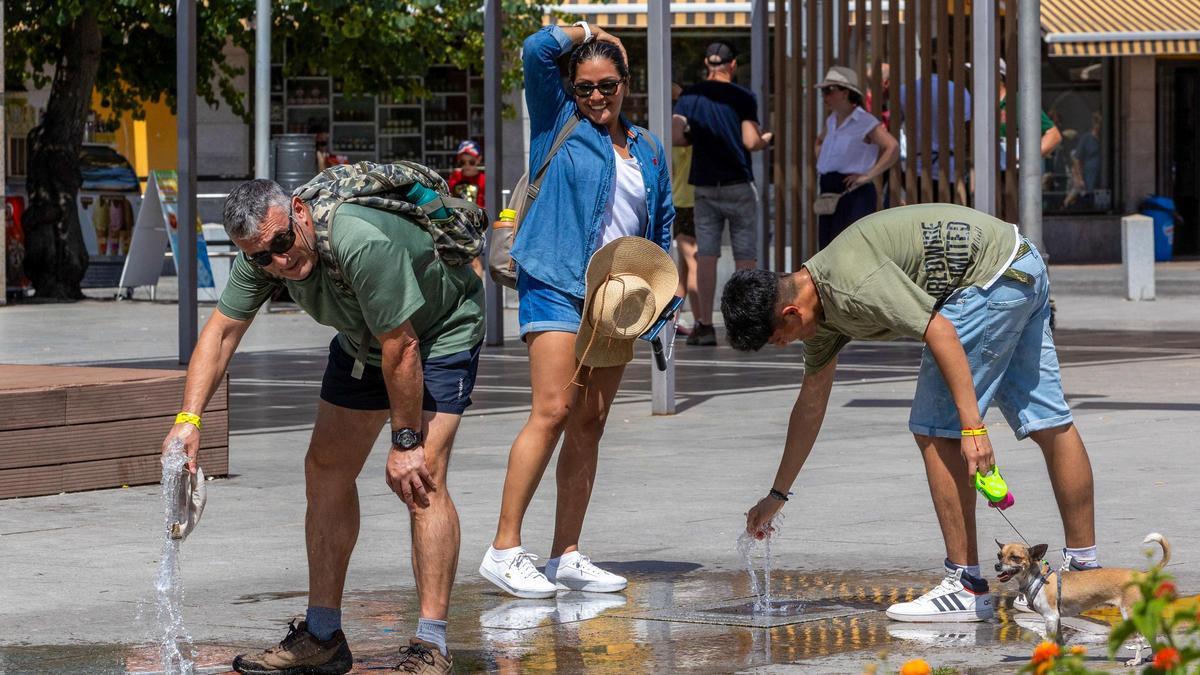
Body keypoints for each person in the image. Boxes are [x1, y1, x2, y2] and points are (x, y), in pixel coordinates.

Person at [161, 177, 484, 674]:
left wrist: (404, 443)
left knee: (422, 477)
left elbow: (403, 346)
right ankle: (323, 635)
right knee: (326, 469)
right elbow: (222, 331)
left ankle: (431, 644)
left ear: (299, 212)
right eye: (262, 256)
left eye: (282, 243)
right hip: (365, 339)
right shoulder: (263, 257)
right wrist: (188, 420)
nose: (279, 261)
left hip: (436, 332)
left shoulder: (358, 240)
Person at [722, 203, 1099, 623]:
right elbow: (810, 404)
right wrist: (777, 495)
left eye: (780, 339)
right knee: (1050, 420)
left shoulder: (850, 282)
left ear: (791, 313)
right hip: (1020, 262)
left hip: (988, 279)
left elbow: (940, 330)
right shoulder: (818, 310)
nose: (787, 345)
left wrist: (972, 427)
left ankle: (966, 586)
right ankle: (1084, 573)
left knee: (936, 429)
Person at [478, 23, 673, 599]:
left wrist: (664, 303)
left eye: (606, 85)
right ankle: (505, 548)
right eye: (584, 85)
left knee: (591, 420)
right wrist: (590, 30)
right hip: (557, 282)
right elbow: (537, 49)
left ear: (625, 84)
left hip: (618, 301)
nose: (595, 96)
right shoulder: (556, 122)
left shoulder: (649, 148)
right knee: (555, 409)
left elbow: (660, 226)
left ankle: (567, 554)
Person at [672, 42, 772, 346]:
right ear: (732, 65)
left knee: (706, 257)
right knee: (745, 258)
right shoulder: (743, 97)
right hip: (738, 184)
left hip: (703, 185)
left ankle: (704, 326)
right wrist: (767, 139)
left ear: (706, 62)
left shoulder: (690, 97)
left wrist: (697, 137)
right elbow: (750, 140)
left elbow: (676, 136)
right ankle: (745, 324)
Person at [813, 66, 899, 248]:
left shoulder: (864, 121)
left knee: (851, 250)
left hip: (852, 191)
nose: (824, 96)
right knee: (827, 250)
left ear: (845, 93)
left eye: (829, 90)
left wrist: (868, 175)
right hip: (829, 189)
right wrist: (824, 162)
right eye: (823, 91)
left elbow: (892, 147)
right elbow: (819, 141)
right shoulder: (832, 120)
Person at [670, 83, 700, 336]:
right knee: (693, 261)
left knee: (685, 266)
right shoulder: (695, 136)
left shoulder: (672, 135)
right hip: (692, 201)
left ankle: (673, 318)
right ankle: (701, 321)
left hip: (680, 200)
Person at [447, 139, 486, 208]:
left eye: (471, 162)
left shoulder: (484, 179)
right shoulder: (455, 176)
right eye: (463, 162)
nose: (467, 166)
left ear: (479, 159)